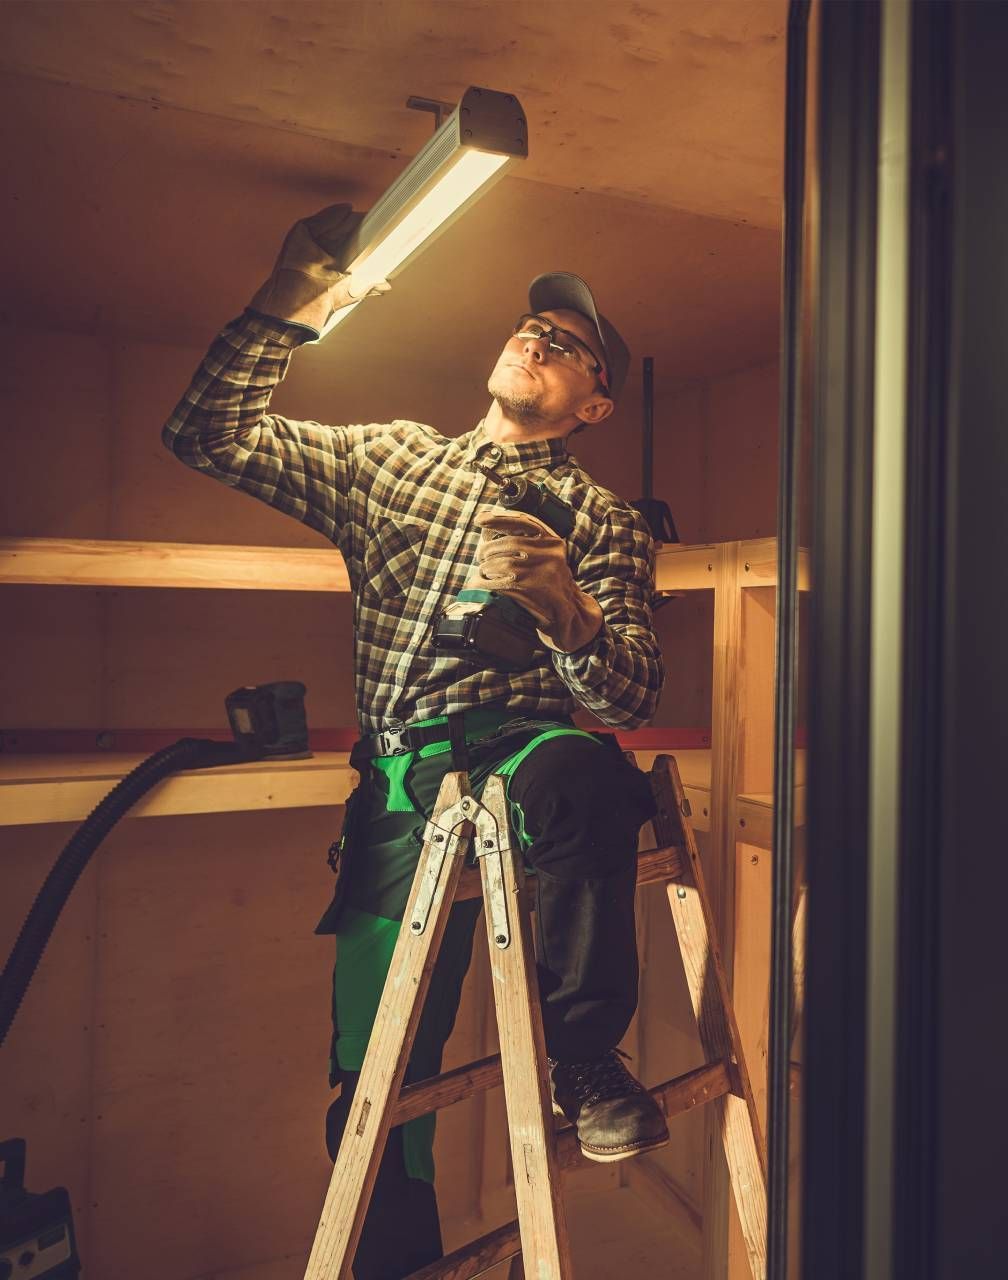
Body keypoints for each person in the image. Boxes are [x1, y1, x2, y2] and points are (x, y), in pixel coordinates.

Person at [163, 204, 669, 1277]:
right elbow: (206, 433)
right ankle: (396, 1260)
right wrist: (283, 307)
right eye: (531, 324)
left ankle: (583, 1058)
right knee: (376, 1075)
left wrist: (565, 604)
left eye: (568, 344)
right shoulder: (395, 462)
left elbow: (625, 694)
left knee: (590, 769)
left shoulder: (606, 520)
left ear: (596, 402)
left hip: (524, 752)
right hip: (400, 778)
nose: (539, 339)